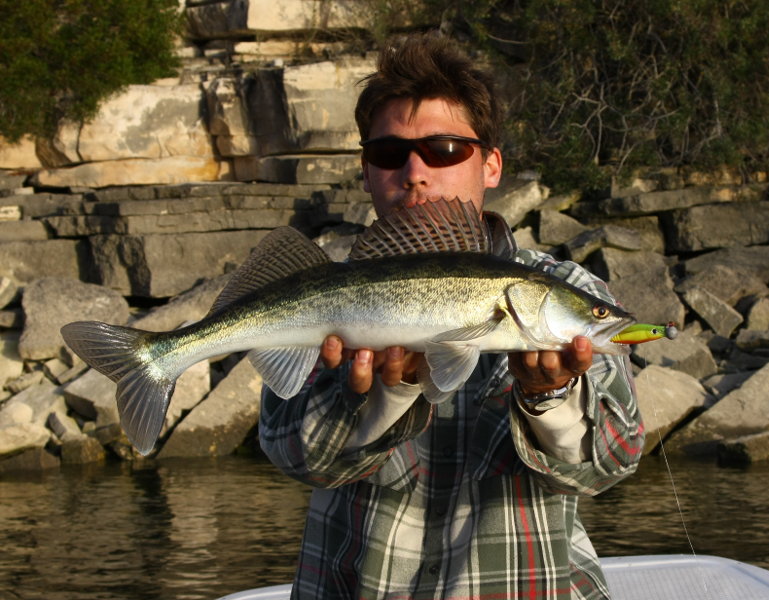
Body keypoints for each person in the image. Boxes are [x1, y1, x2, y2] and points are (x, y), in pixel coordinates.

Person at [259, 32, 644, 600]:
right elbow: (296, 457)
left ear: (491, 165)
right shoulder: (322, 294)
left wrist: (549, 399)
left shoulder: (567, 289)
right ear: (366, 171)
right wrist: (383, 395)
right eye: (388, 154)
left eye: (443, 150)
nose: (415, 172)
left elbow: (609, 463)